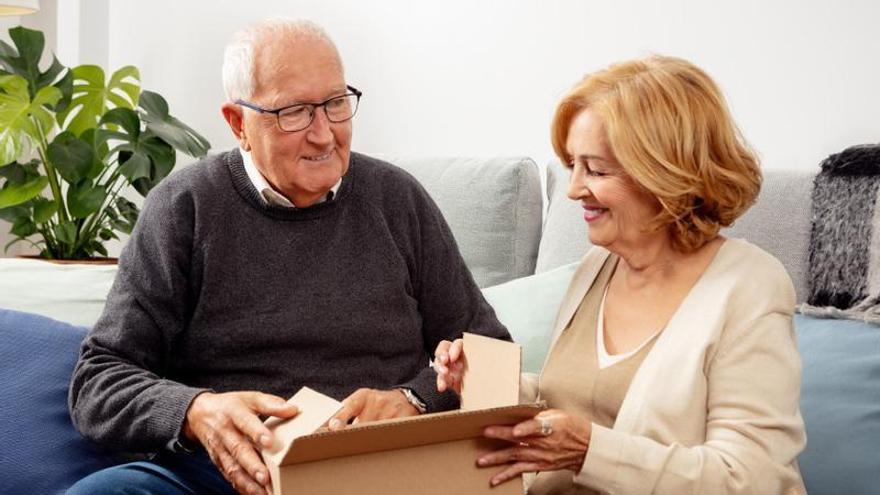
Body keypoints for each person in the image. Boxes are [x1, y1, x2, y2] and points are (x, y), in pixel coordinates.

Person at [68, 18, 509, 495]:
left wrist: (414, 399)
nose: (324, 135)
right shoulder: (184, 207)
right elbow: (99, 381)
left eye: (336, 104)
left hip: (376, 468)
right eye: (295, 112)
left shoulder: (397, 200)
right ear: (239, 123)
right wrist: (196, 411)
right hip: (223, 475)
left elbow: (489, 351)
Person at [435, 56, 806, 494]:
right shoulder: (600, 265)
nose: (574, 189)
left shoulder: (749, 286)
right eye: (572, 165)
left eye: (595, 169)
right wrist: (483, 382)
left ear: (665, 173)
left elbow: (750, 478)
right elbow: (573, 398)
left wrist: (589, 452)